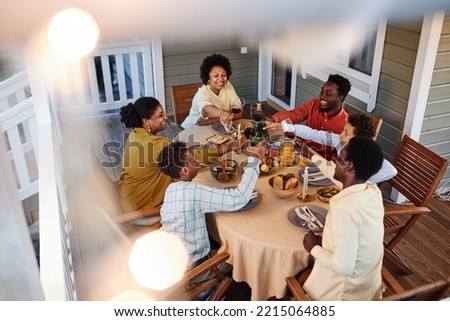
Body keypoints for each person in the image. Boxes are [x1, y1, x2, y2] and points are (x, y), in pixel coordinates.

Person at [118, 97, 245, 223]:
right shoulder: (155, 145)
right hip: (140, 209)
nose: (166, 117)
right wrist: (228, 147)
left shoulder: (136, 134)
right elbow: (194, 158)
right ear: (146, 122)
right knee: (199, 204)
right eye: (160, 115)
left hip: (126, 198)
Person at [300, 136, 385, 300]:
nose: (334, 160)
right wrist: (311, 155)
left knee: (293, 274)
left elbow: (343, 267)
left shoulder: (344, 209)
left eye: (339, 158)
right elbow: (334, 174)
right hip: (368, 286)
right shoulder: (371, 190)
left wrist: (314, 248)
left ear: (349, 166)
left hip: (343, 295)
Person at [157, 141, 262, 269]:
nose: (197, 160)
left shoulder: (170, 189)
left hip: (168, 257)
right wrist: (255, 160)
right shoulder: (193, 191)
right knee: (238, 257)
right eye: (194, 159)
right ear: (184, 170)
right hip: (191, 268)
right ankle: (209, 287)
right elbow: (238, 198)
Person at [265, 74, 351, 160]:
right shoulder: (314, 104)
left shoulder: (346, 126)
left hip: (321, 162)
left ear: (340, 98)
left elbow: (338, 156)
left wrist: (316, 159)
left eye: (328, 94)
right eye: (322, 91)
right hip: (301, 150)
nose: (322, 96)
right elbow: (295, 114)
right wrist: (273, 120)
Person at [293, 113, 397, 184]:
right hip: (336, 182)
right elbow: (316, 134)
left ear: (358, 140)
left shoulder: (368, 158)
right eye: (343, 130)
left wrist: (365, 178)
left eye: (346, 133)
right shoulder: (341, 142)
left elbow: (392, 170)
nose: (341, 135)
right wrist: (290, 128)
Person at [181, 53, 242, 129]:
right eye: (216, 76)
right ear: (208, 78)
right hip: (191, 130)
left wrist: (210, 121)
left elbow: (239, 112)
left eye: (223, 75)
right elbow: (206, 110)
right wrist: (222, 113)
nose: (221, 79)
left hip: (212, 128)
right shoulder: (202, 93)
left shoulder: (227, 85)